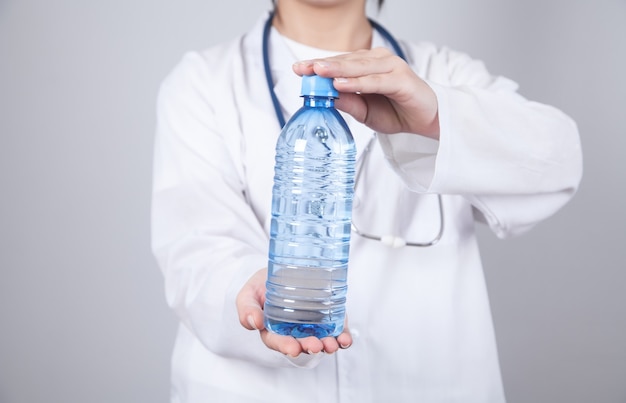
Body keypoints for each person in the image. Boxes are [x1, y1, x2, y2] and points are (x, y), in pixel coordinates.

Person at [151, 0, 583, 402]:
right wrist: (251, 291)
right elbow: (196, 244)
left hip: (430, 381)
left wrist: (434, 115)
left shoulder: (444, 73)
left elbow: (558, 163)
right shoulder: (204, 80)